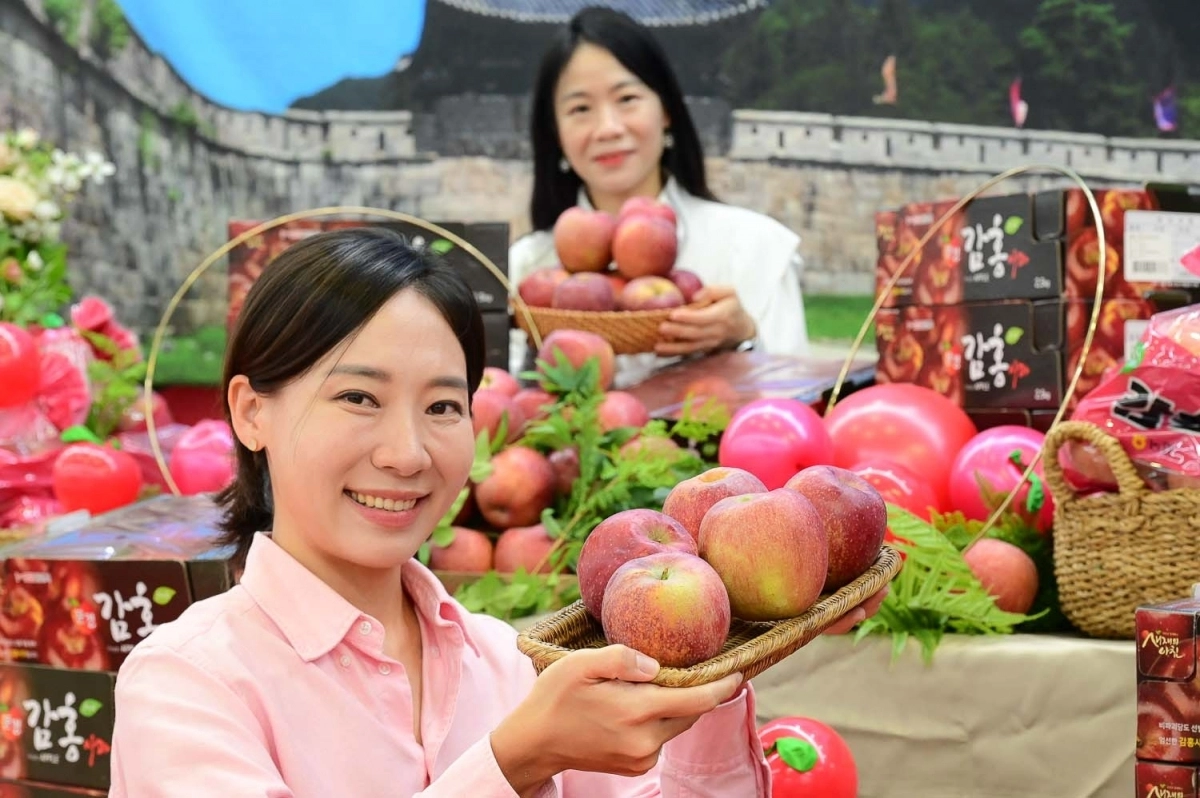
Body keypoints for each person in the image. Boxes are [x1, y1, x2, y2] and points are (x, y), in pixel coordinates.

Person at [107, 228, 884, 796]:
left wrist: (718, 665)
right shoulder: (187, 682)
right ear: (251, 412)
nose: (408, 452)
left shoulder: (507, 662)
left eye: (443, 405)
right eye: (358, 398)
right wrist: (510, 763)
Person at [509, 6, 810, 387]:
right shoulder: (525, 269)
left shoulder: (754, 249)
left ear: (666, 110)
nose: (608, 128)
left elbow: (801, 403)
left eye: (627, 98)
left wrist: (745, 340)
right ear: (555, 132)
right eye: (580, 108)